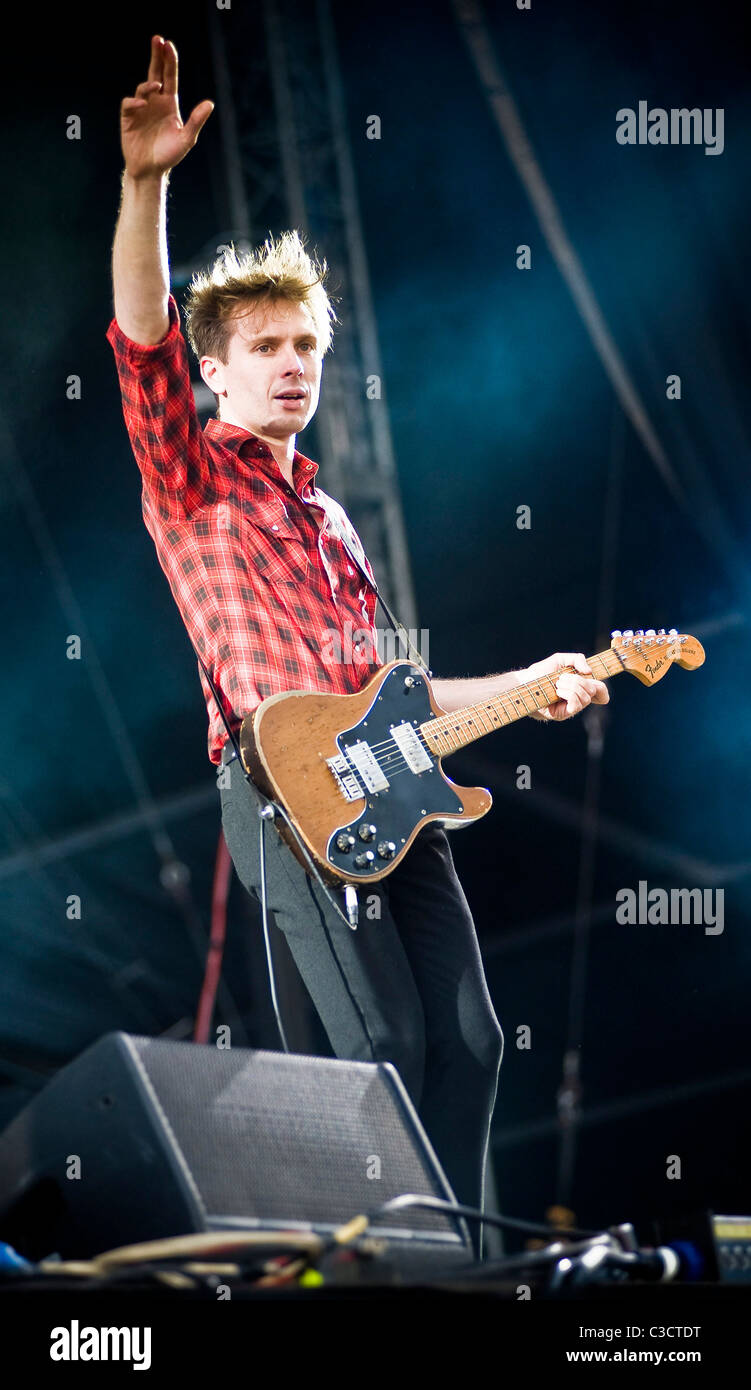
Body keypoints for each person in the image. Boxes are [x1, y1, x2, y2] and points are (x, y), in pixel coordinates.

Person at [107, 35, 609, 1260]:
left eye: (306, 348)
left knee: (474, 1040)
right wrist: (144, 188)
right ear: (217, 369)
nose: (291, 365)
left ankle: (461, 1259)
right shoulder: (188, 474)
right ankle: (381, 1264)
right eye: (265, 348)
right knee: (373, 1047)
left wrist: (531, 685)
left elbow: (401, 694)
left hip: (386, 788)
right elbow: (139, 336)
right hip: (279, 788)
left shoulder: (331, 516)